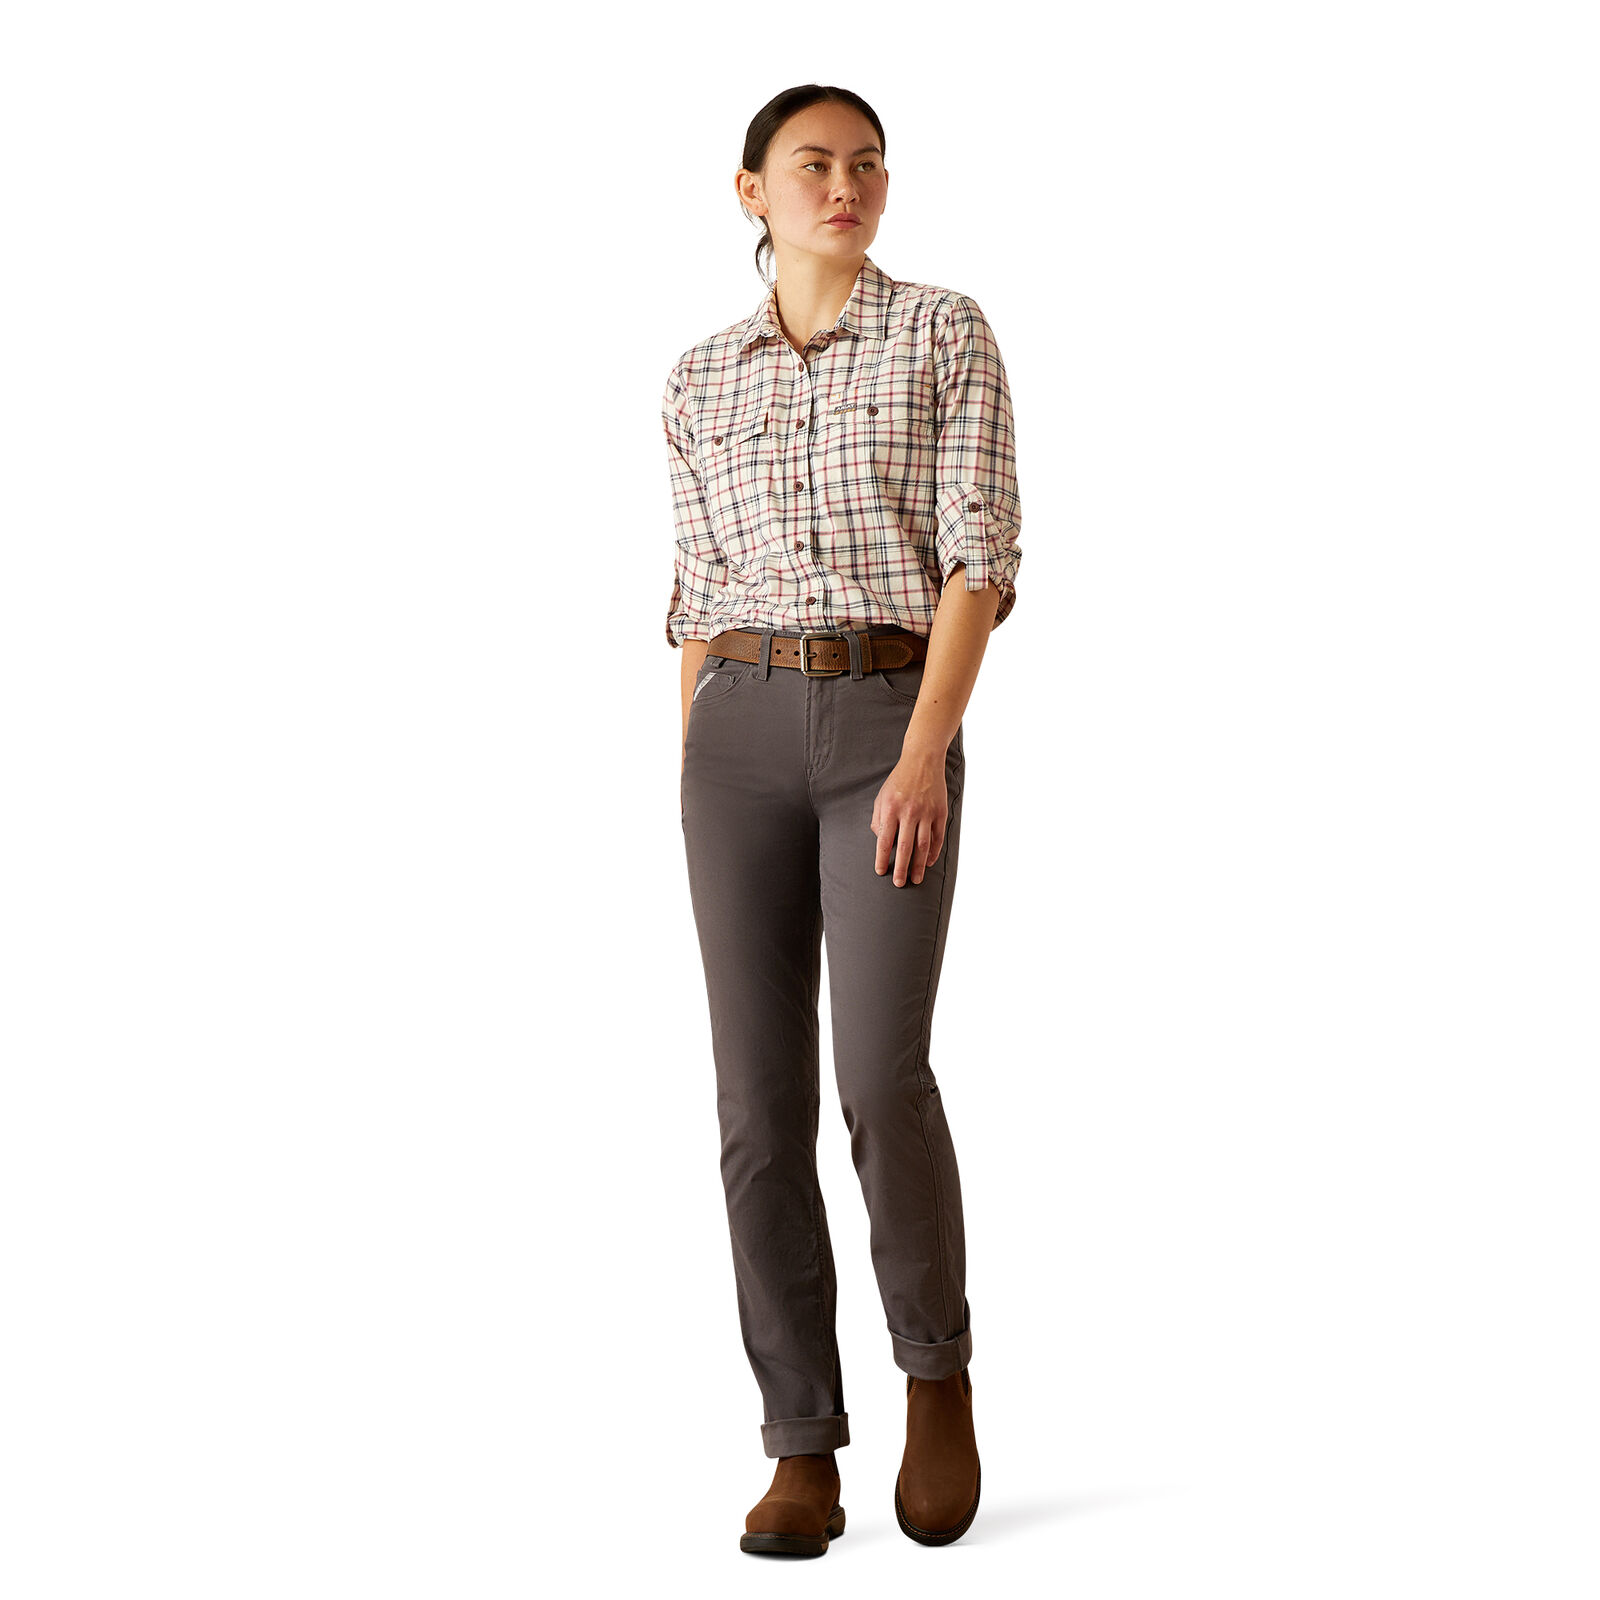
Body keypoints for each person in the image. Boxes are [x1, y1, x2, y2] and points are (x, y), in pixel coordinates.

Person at [662, 82, 1022, 1557]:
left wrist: (925, 754)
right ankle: (799, 1441)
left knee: (880, 1078)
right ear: (752, 190)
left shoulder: (943, 333)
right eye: (812, 164)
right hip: (735, 735)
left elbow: (979, 560)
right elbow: (696, 587)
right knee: (757, 1113)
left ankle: (936, 1375)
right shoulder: (699, 377)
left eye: (866, 164)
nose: (845, 186)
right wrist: (692, 749)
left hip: (888, 719)